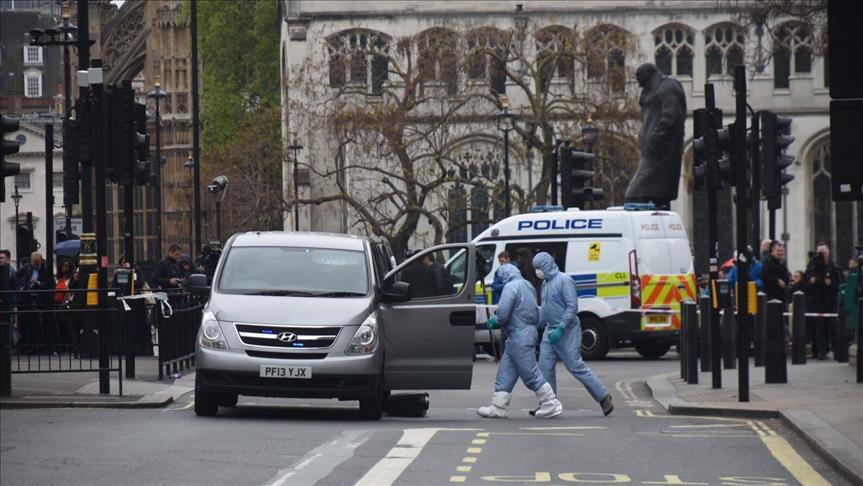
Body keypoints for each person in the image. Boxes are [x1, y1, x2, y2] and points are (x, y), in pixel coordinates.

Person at [532, 252, 614, 416]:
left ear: (546, 265)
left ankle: (604, 397)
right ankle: (548, 404)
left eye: (538, 268)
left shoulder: (564, 280)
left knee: (576, 366)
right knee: (545, 368)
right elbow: (546, 308)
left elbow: (572, 307)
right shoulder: (545, 284)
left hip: (567, 331)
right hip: (550, 331)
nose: (537, 271)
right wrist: (536, 324)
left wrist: (561, 326)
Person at [477, 263, 563, 419]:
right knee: (505, 372)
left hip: (518, 335)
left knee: (530, 373)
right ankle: (498, 406)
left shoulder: (510, 287)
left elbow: (503, 314)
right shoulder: (527, 285)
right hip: (523, 333)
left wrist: (493, 321)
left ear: (504, 275)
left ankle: (551, 403)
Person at [625, 62, 686, 210]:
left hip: (662, 152)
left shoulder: (668, 86)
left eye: (639, 75)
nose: (637, 79)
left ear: (648, 73)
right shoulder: (651, 89)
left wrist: (655, 140)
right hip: (652, 152)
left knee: (636, 193)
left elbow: (670, 117)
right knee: (640, 194)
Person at [804, 244, 843, 360]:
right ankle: (821, 350)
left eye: (824, 253)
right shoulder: (812, 266)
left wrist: (831, 284)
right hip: (817, 300)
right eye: (820, 253)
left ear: (829, 253)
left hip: (830, 299)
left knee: (832, 326)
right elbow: (805, 283)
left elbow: (841, 284)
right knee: (819, 327)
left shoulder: (834, 267)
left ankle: (837, 351)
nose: (823, 256)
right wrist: (811, 281)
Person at [16, 252, 54, 352]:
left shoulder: (45, 270)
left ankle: (41, 346)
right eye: (33, 262)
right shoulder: (28, 267)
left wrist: (38, 283)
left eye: (36, 262)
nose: (35, 264)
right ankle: (28, 346)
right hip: (28, 298)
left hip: (40, 298)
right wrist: (21, 286)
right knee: (27, 323)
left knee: (39, 323)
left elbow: (50, 284)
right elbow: (17, 275)